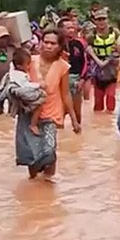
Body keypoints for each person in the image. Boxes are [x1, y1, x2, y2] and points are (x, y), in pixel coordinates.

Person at [17, 29, 80, 181]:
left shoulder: (63, 66)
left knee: (49, 151)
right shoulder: (29, 61)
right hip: (29, 112)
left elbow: (65, 93)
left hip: (51, 113)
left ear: (59, 46)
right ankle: (35, 188)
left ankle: (48, 182)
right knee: (32, 153)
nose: (48, 46)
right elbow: (17, 82)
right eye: (46, 42)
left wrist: (73, 118)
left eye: (53, 43)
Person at [0, 50, 47, 135]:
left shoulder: (12, 73)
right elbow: (26, 86)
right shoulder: (20, 76)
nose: (29, 66)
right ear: (20, 66)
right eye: (28, 64)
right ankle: (33, 124)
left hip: (18, 93)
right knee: (40, 103)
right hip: (22, 92)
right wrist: (39, 85)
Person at [87, 8, 120, 113]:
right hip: (98, 71)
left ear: (107, 20)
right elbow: (87, 51)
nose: (101, 22)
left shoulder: (115, 33)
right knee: (98, 102)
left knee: (111, 96)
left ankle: (109, 121)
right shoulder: (91, 36)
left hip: (112, 69)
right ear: (95, 21)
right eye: (98, 19)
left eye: (103, 19)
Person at [63, 19, 88, 125]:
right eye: (68, 28)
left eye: (72, 27)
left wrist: (82, 79)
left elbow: (85, 63)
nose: (71, 30)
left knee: (77, 112)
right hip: (60, 81)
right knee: (60, 111)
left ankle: (77, 135)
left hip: (76, 80)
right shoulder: (56, 45)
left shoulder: (78, 44)